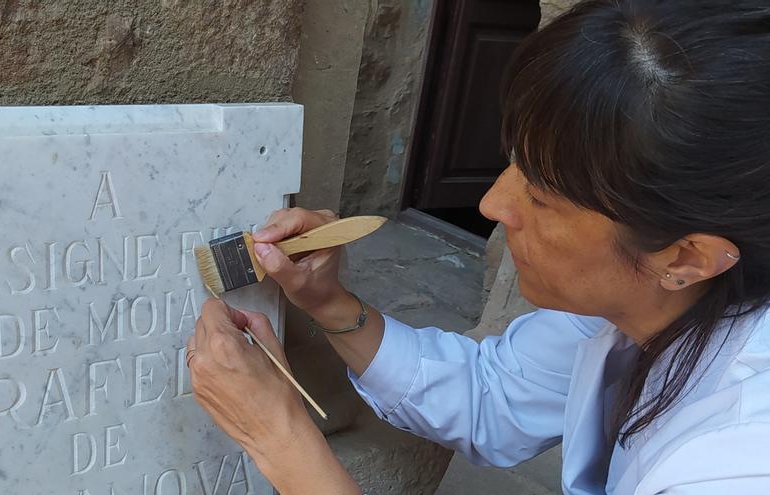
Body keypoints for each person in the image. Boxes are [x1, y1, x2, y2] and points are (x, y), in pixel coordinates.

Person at [186, 1, 770, 493]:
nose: (492, 204)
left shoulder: (737, 464)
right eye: (515, 161)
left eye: (542, 197)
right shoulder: (633, 311)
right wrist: (329, 302)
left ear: (687, 258)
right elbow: (493, 398)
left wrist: (279, 438)